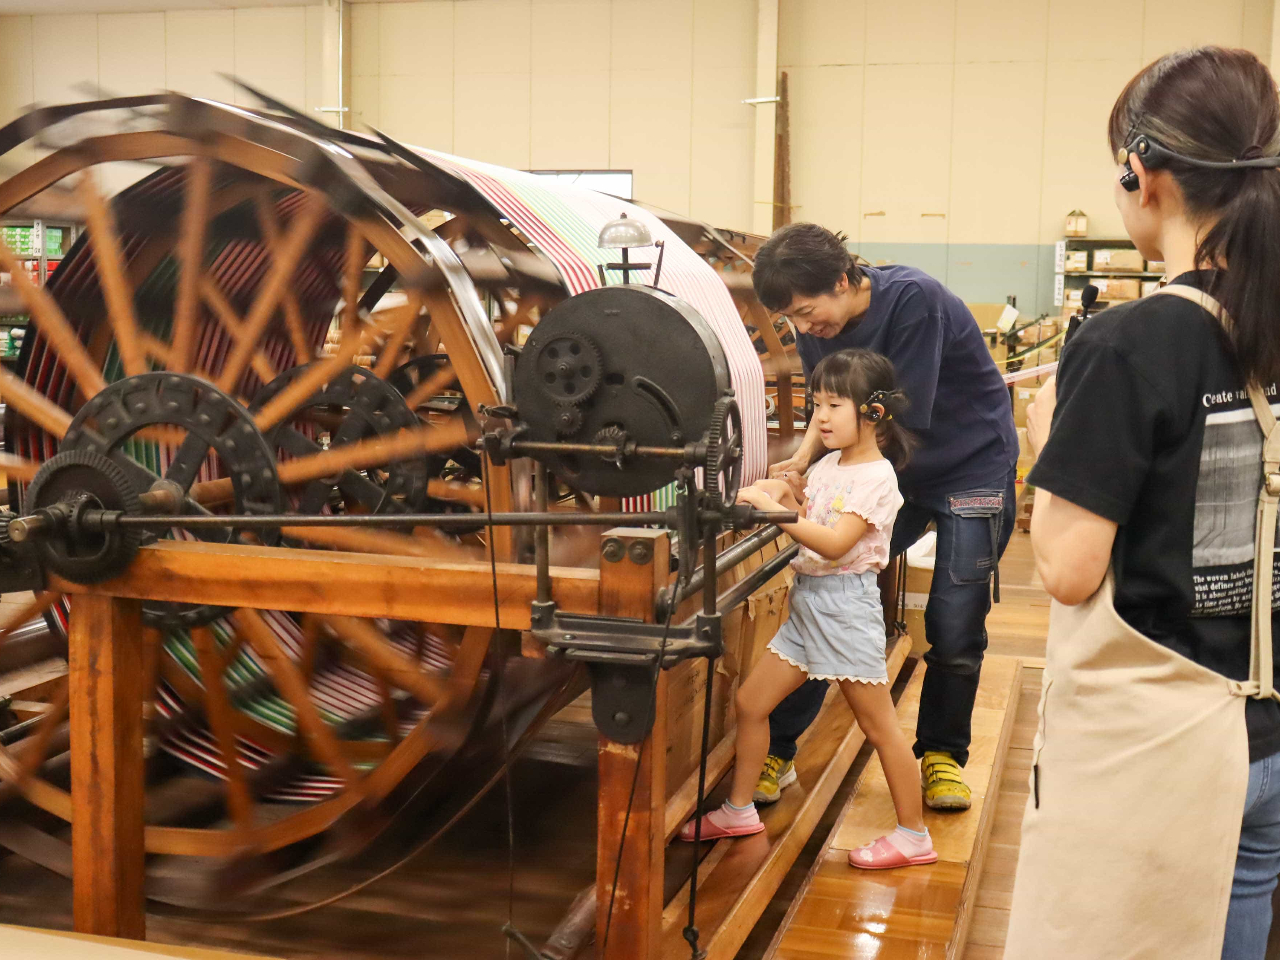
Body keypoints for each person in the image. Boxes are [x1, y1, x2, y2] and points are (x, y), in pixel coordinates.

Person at [1004, 47, 1280, 960]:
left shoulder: (1129, 342)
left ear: (1140, 172)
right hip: (1268, 724)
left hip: (1163, 743)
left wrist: (1050, 442)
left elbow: (1070, 571)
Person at [752, 223, 1018, 812]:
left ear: (844, 279)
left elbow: (892, 418)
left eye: (806, 310)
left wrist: (819, 505)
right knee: (829, 592)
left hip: (968, 466)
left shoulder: (913, 302)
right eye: (790, 319)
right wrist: (796, 468)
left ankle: (943, 755)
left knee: (954, 621)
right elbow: (834, 410)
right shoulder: (824, 326)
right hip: (891, 466)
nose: (805, 328)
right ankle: (781, 747)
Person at [678, 349, 936, 869]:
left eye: (834, 405)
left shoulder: (877, 479)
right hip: (809, 605)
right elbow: (802, 504)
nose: (820, 417)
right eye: (817, 403)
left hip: (845, 609)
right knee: (752, 704)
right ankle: (739, 809)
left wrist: (775, 512)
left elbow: (837, 543)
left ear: (873, 413)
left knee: (879, 727)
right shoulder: (828, 464)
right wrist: (776, 489)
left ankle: (914, 836)